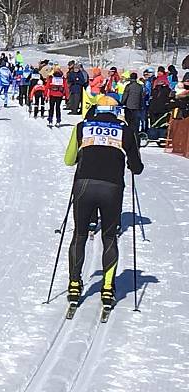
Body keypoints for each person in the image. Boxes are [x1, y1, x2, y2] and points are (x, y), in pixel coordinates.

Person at [63, 95, 144, 312]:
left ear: (95, 109)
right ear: (117, 110)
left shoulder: (82, 127)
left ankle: (73, 284)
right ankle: (107, 288)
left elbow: (69, 160)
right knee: (109, 236)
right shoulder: (124, 130)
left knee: (79, 235)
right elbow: (137, 167)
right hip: (112, 187)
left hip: (84, 186)